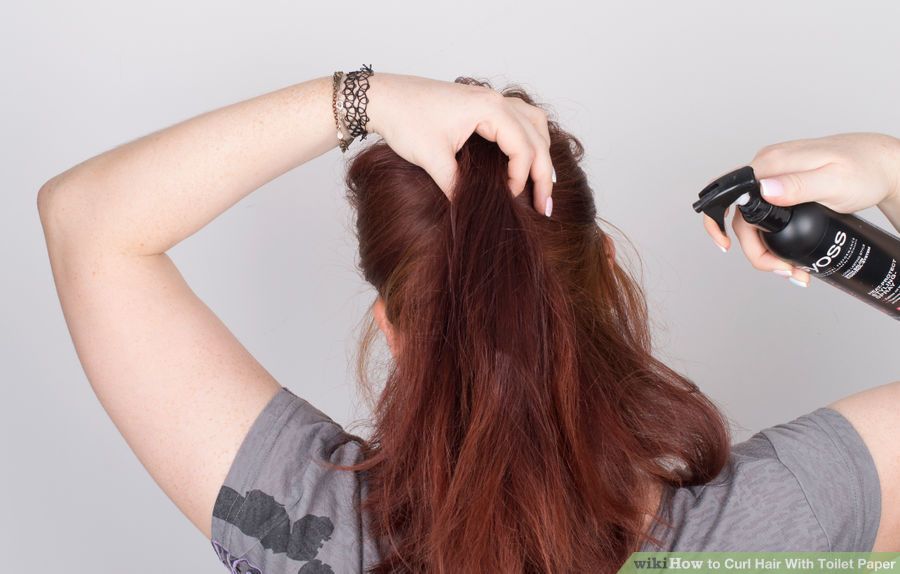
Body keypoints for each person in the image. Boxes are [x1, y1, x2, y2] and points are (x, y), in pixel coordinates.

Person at [36, 69, 900, 573]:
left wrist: (358, 97)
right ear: (602, 279)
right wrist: (890, 171)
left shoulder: (309, 529)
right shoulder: (779, 522)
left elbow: (89, 225)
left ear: (393, 327)